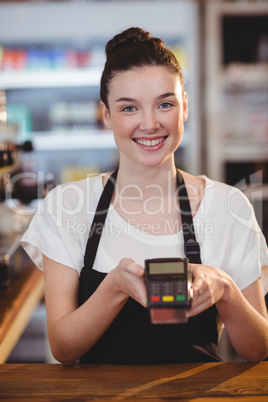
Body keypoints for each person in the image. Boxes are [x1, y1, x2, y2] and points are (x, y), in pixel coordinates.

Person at [21, 27, 268, 366]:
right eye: (129, 108)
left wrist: (226, 289)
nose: (150, 124)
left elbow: (258, 348)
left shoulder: (228, 207)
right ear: (106, 115)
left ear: (184, 108)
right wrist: (114, 288)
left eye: (164, 104)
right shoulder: (66, 207)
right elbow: (63, 349)